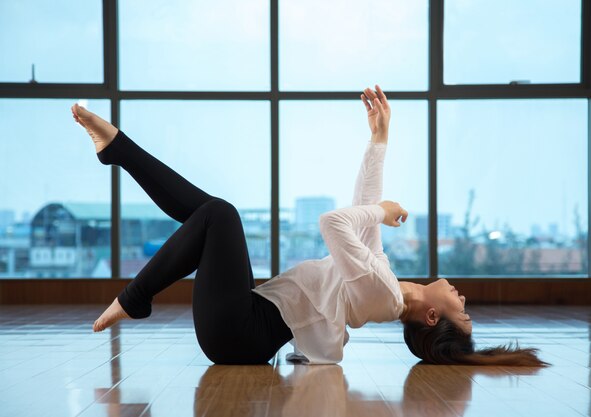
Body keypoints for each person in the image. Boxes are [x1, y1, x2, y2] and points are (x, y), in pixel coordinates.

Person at [72, 85, 545, 366]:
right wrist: (379, 138)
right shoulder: (384, 283)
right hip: (240, 325)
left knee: (221, 214)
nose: (463, 298)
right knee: (209, 213)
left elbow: (335, 222)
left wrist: (381, 211)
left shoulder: (383, 293)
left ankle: (135, 298)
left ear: (432, 318)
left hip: (238, 331)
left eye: (460, 310)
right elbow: (361, 211)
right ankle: (118, 149)